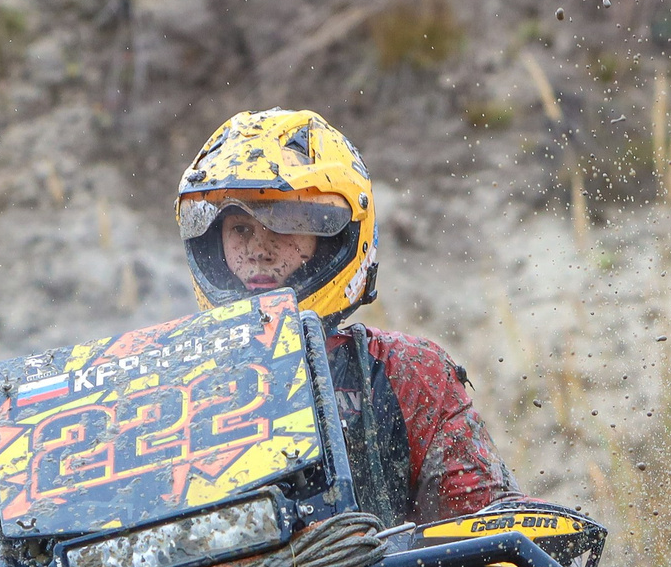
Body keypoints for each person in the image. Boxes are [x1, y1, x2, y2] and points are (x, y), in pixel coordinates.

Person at [177, 108, 517, 526]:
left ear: (333, 238)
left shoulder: (408, 373)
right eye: (240, 229)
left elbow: (489, 528)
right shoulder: (173, 382)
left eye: (283, 227)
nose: (258, 251)